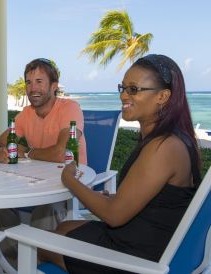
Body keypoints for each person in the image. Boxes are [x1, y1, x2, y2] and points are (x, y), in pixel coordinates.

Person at [41, 54, 201, 273]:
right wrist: (116, 198)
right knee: (63, 227)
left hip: (138, 258)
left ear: (163, 96)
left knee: (42, 243)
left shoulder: (164, 147)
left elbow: (114, 216)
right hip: (145, 236)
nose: (123, 95)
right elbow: (160, 200)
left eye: (134, 89)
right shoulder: (169, 138)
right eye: (123, 88)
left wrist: (70, 180)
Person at [0, 58, 87, 165]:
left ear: (54, 86)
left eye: (39, 81)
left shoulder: (70, 108)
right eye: (28, 82)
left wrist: (27, 152)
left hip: (72, 178)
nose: (33, 88)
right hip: (38, 177)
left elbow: (63, 153)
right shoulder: (26, 114)